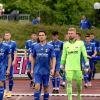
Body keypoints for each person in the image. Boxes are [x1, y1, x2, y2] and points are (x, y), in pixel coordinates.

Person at [60, 27, 89, 100]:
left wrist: (87, 64)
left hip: (78, 68)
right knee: (69, 83)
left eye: (72, 33)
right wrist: (61, 65)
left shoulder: (80, 43)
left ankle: (79, 95)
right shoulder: (65, 44)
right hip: (68, 68)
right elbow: (63, 56)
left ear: (75, 34)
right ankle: (70, 98)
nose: (70, 35)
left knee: (79, 85)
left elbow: (85, 54)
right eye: (69, 33)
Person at [30, 30, 56, 100]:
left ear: (46, 36)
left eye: (42, 35)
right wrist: (32, 69)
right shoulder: (35, 46)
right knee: (37, 86)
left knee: (46, 88)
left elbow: (53, 58)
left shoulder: (50, 46)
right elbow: (33, 58)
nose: (41, 36)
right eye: (40, 35)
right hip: (37, 71)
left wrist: (53, 68)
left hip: (46, 71)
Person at [3, 32, 17, 98]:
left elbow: (15, 52)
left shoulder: (13, 43)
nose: (7, 36)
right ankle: (5, 90)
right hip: (3, 62)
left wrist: (14, 60)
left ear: (10, 36)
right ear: (4, 36)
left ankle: (10, 91)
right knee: (3, 77)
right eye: (6, 35)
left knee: (10, 77)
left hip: (10, 62)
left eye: (8, 35)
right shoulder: (2, 43)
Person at [0, 34, 11, 100]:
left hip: (2, 67)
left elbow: (9, 58)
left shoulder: (6, 46)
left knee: (1, 84)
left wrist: (8, 69)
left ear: (1, 38)